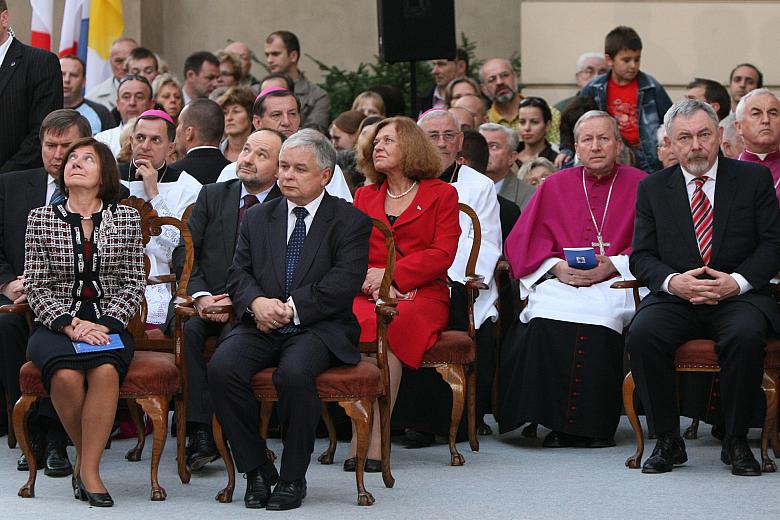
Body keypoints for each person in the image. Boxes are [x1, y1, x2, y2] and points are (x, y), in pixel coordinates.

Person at [208, 129, 371, 510]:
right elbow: (238, 274)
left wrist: (292, 308)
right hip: (261, 322)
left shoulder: (348, 221)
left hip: (319, 326)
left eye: (300, 169)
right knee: (222, 368)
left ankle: (293, 477)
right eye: (283, 166)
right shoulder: (258, 216)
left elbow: (343, 284)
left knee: (294, 373)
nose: (287, 176)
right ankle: (257, 467)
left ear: (325, 175)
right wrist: (257, 304)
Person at [626, 99, 780, 476]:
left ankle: (737, 441)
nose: (695, 145)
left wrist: (737, 282)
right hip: (678, 297)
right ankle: (667, 440)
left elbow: (773, 245)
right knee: (643, 333)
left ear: (720, 136)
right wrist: (673, 282)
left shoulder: (752, 180)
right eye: (685, 138)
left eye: (703, 135)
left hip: (737, 296)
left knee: (745, 336)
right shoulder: (652, 188)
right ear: (670, 144)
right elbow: (641, 256)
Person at [499, 110, 647, 447]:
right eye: (587, 140)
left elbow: (657, 244)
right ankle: (550, 418)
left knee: (602, 317)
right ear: (576, 147)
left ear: (618, 144)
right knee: (543, 316)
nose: (596, 147)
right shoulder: (555, 184)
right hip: (563, 280)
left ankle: (592, 427)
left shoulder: (643, 184)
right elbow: (522, 240)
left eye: (604, 138)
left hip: (618, 280)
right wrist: (555, 267)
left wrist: (613, 265)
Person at [0, 110, 127, 477]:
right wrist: (10, 284)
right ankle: (30, 432)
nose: (58, 155)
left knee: (76, 359)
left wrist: (90, 319)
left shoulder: (114, 198)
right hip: (21, 295)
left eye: (67, 146)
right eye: (50, 145)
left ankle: (57, 439)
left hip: (89, 309)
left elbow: (129, 274)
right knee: (8, 325)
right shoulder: (10, 185)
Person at [24, 136, 145, 506]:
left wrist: (106, 324)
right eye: (71, 158)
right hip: (54, 325)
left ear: (104, 172)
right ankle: (87, 463)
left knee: (106, 370)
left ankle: (87, 470)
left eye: (86, 158)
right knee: (65, 374)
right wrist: (70, 324)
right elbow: (35, 285)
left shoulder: (125, 218)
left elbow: (133, 281)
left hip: (109, 323)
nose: (74, 162)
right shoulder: (41, 218)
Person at [347, 117, 460, 470]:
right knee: (357, 322)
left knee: (392, 325)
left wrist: (391, 275)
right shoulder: (364, 195)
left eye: (388, 141)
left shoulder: (442, 193)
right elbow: (349, 250)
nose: (377, 147)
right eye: (375, 142)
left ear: (410, 147)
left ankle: (376, 439)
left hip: (423, 294)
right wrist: (371, 279)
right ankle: (360, 433)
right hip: (368, 291)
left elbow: (443, 254)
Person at [174, 128, 284, 472]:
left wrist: (240, 304)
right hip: (205, 302)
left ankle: (241, 438)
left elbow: (287, 269)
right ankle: (200, 433)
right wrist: (204, 297)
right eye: (247, 149)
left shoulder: (288, 204)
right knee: (189, 333)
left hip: (255, 308)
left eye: (261, 155)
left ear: (281, 168)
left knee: (231, 345)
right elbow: (184, 255)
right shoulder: (213, 195)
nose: (248, 158)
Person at [120, 109, 202, 326]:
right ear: (131, 141)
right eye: (140, 138)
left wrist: (154, 194)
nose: (145, 146)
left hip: (163, 284)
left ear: (171, 147)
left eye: (156, 140)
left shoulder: (188, 187)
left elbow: (178, 250)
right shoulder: (111, 181)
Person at [216, 88, 353, 201]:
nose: (286, 121)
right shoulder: (233, 172)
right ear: (257, 122)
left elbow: (340, 216)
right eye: (276, 115)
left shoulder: (322, 167)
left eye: (292, 114)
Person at [579, 26, 672, 172]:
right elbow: (574, 121)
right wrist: (567, 150)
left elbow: (670, 121)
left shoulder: (651, 86)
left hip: (648, 157)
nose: (633, 65)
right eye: (626, 60)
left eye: (637, 59)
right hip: (609, 155)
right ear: (609, 60)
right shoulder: (594, 88)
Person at [0, 0, 63, 173]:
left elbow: (43, 133)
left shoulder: (40, 63)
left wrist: (5, 178)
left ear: (4, 18)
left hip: (16, 183)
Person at [480, 58, 560, 144]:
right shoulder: (484, 123)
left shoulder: (549, 114)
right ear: (484, 89)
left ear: (515, 77)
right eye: (492, 79)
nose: (499, 82)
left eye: (504, 75)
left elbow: (557, 152)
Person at [264, 31, 330, 128]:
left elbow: (313, 135)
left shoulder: (317, 96)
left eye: (275, 54)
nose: (269, 60)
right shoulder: (256, 91)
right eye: (267, 55)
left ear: (293, 56)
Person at [735, 88, 780, 199]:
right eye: (756, 113)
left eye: (773, 113)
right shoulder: (724, 172)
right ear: (739, 127)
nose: (766, 120)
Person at [95, 75, 155, 156]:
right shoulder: (102, 140)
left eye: (139, 97)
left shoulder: (160, 139)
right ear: (118, 104)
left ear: (151, 104)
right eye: (126, 97)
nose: (132, 103)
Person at [172, 99, 230, 184]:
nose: (176, 129)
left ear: (189, 132)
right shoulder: (235, 173)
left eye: (179, 124)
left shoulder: (172, 175)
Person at [479, 123, 535, 210]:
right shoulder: (460, 188)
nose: (484, 152)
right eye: (480, 146)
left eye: (493, 146)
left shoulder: (530, 196)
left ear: (512, 157)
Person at [60, 55, 116, 135]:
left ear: (84, 81)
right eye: (62, 74)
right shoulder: (43, 109)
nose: (66, 80)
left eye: (73, 75)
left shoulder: (101, 113)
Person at [85, 37, 138, 110]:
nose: (124, 67)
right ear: (110, 62)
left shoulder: (156, 91)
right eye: (119, 61)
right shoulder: (93, 98)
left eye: (130, 60)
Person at [418, 48, 469, 113]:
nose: (434, 71)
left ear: (461, 66)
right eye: (434, 65)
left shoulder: (480, 99)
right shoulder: (424, 101)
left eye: (441, 64)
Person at [515, 97, 561, 167]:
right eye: (522, 122)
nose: (527, 128)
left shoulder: (557, 160)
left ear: (547, 125)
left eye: (534, 122)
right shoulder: (509, 157)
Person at [217, 86, 255, 162]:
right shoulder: (216, 152)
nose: (229, 118)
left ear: (251, 116)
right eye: (225, 113)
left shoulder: (262, 152)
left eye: (236, 111)